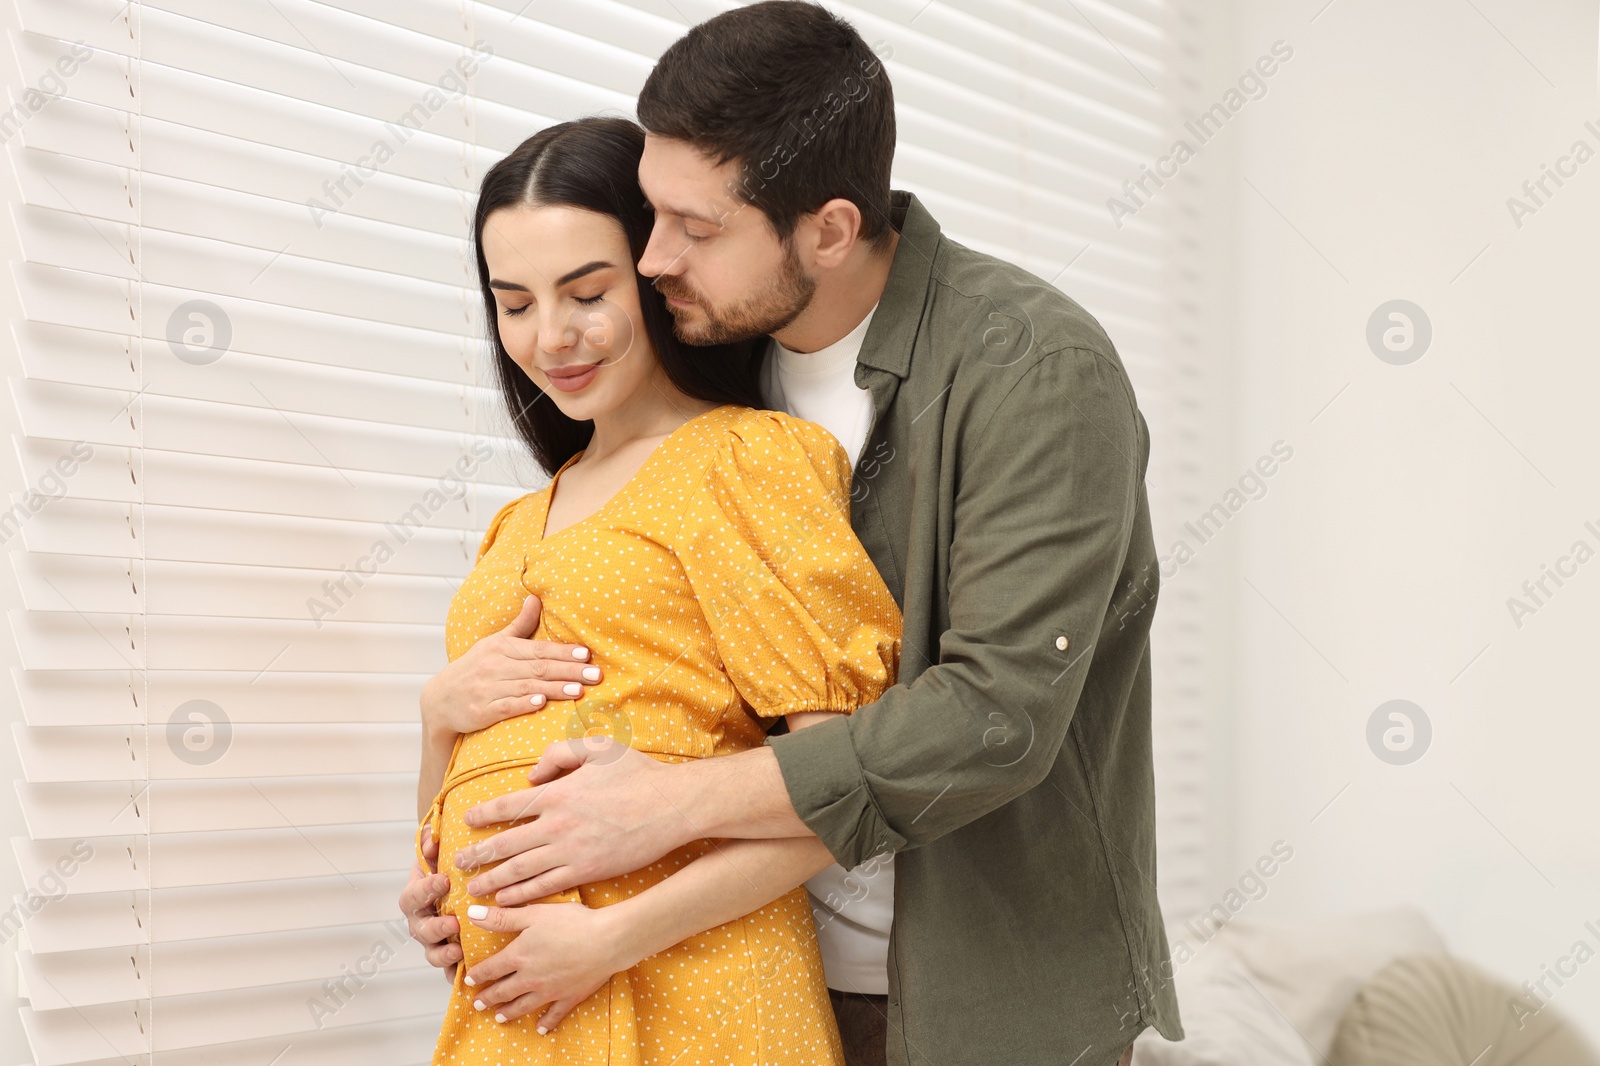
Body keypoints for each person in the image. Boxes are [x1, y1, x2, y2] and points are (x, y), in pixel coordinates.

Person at [403, 4, 1186, 1065]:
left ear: (823, 228)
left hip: (968, 1000)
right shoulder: (720, 365)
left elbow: (995, 715)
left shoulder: (1030, 368)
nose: (655, 258)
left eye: (696, 228)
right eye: (650, 214)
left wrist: (655, 813)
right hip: (746, 974)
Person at [411, 114, 902, 1065]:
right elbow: (469, 793)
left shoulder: (742, 462)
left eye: (586, 292)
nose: (550, 338)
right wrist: (435, 735)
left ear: (658, 272)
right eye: (513, 304)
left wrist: (607, 938)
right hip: (519, 1015)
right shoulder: (516, 522)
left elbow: (846, 795)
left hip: (692, 999)